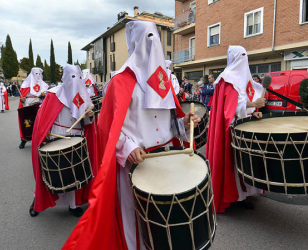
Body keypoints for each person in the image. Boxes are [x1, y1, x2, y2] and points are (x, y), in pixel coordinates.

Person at [63, 21, 200, 250]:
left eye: (155, 37)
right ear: (135, 42)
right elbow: (108, 128)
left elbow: (167, 124)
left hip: (166, 160)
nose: (153, 43)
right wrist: (127, 148)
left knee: (165, 221)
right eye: (147, 37)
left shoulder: (163, 81)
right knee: (135, 219)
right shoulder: (120, 81)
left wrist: (183, 123)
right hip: (137, 163)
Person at [29, 64, 97, 218]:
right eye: (72, 77)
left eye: (78, 77)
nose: (75, 81)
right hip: (56, 135)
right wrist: (44, 134)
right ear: (64, 78)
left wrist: (89, 116)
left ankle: (73, 205)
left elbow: (85, 122)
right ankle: (37, 200)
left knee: (73, 172)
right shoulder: (53, 95)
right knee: (48, 171)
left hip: (76, 137)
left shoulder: (84, 95)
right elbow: (43, 119)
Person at [206, 45, 265, 214]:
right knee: (233, 163)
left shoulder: (243, 77)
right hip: (230, 128)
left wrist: (253, 112)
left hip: (244, 125)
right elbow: (230, 107)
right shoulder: (228, 77)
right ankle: (234, 197)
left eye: (245, 56)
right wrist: (253, 105)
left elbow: (246, 99)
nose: (244, 59)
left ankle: (244, 194)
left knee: (245, 162)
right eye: (241, 56)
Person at [18, 68, 49, 149]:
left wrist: (44, 94)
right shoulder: (26, 84)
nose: (37, 76)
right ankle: (24, 140)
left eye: (39, 74)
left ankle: (41, 140)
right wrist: (22, 99)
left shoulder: (44, 85)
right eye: (36, 74)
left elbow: (48, 96)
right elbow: (22, 96)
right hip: (28, 105)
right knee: (27, 123)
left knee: (39, 123)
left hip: (39, 105)